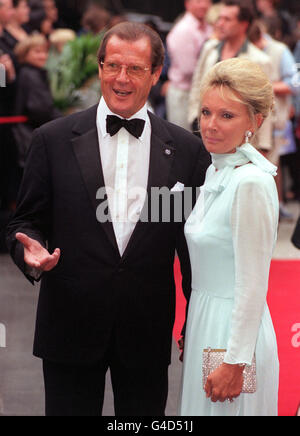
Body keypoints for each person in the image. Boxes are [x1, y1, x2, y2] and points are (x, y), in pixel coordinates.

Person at [6, 21, 211, 416]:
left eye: (135, 68)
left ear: (155, 73)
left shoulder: (187, 151)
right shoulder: (51, 140)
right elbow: (24, 223)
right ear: (99, 67)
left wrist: (195, 319)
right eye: (113, 65)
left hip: (146, 328)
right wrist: (30, 255)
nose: (121, 78)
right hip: (69, 323)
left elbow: (191, 246)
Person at [179, 58, 279, 416]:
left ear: (255, 122)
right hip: (206, 323)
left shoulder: (250, 182)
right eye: (206, 112)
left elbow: (252, 285)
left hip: (231, 337)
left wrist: (235, 363)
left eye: (227, 116)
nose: (210, 125)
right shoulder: (217, 169)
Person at [188, 0, 273, 153]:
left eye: (227, 19)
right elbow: (196, 86)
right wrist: (195, 118)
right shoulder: (209, 49)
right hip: (204, 134)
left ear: (244, 24)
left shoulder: (260, 60)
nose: (219, 24)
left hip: (240, 144)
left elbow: (265, 105)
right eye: (219, 18)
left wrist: (263, 147)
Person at [13, 33, 61, 168]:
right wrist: (63, 121)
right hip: (29, 133)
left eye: (45, 52)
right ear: (25, 53)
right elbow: (40, 108)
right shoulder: (30, 75)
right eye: (37, 52)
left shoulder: (30, 73)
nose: (43, 56)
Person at [166, 0, 212, 130]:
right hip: (183, 94)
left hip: (201, 92)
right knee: (183, 139)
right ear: (187, 4)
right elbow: (188, 69)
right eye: (198, 1)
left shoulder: (208, 27)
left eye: (207, 1)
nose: (203, 5)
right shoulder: (183, 30)